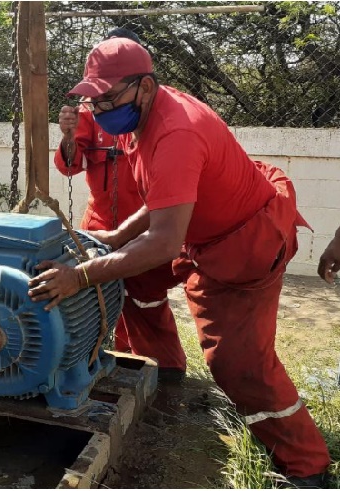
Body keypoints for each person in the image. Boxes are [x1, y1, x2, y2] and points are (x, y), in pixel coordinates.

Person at [29, 38, 330, 486]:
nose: (100, 109)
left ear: (145, 87)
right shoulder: (148, 117)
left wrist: (82, 276)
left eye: (108, 98)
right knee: (142, 292)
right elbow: (162, 197)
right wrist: (115, 236)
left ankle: (308, 467)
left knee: (239, 364)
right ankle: (165, 370)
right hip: (202, 236)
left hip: (245, 243)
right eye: (95, 100)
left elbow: (165, 241)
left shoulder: (177, 131)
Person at [54, 28, 186, 380]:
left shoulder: (150, 115)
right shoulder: (92, 111)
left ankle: (165, 367)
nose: (104, 103)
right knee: (104, 296)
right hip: (100, 222)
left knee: (146, 297)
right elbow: (71, 165)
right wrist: (68, 136)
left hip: (144, 222)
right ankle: (115, 356)